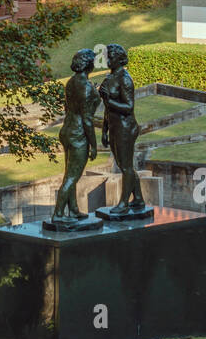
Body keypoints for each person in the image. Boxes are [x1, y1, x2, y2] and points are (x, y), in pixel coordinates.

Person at [51, 48, 100, 222]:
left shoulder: (71, 82)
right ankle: (58, 214)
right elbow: (87, 119)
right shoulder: (86, 87)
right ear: (89, 64)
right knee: (72, 177)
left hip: (67, 130)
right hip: (78, 133)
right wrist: (94, 145)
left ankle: (73, 209)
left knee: (69, 174)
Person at [99, 43, 144, 213]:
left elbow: (128, 107)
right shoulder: (109, 78)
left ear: (119, 59)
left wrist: (108, 99)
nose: (108, 60)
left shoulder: (125, 79)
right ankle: (138, 199)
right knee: (126, 165)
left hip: (126, 127)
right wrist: (104, 130)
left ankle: (123, 203)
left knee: (125, 167)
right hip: (115, 126)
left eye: (110, 57)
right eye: (107, 57)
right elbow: (107, 108)